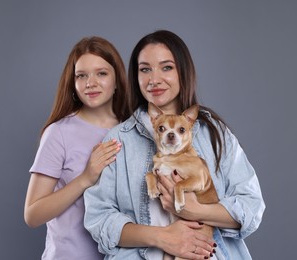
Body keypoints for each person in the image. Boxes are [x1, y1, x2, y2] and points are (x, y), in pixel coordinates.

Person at [84, 30, 265, 260]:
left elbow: (251, 207)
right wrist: (162, 237)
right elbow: (99, 218)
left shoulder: (215, 133)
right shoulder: (119, 140)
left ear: (183, 71)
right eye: (145, 69)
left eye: (166, 67)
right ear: (135, 76)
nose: (154, 79)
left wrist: (196, 210)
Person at [24, 36, 131, 259]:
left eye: (101, 73)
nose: (90, 83)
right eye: (81, 75)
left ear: (117, 80)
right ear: (73, 83)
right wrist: (85, 178)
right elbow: (32, 215)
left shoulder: (133, 130)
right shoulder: (59, 133)